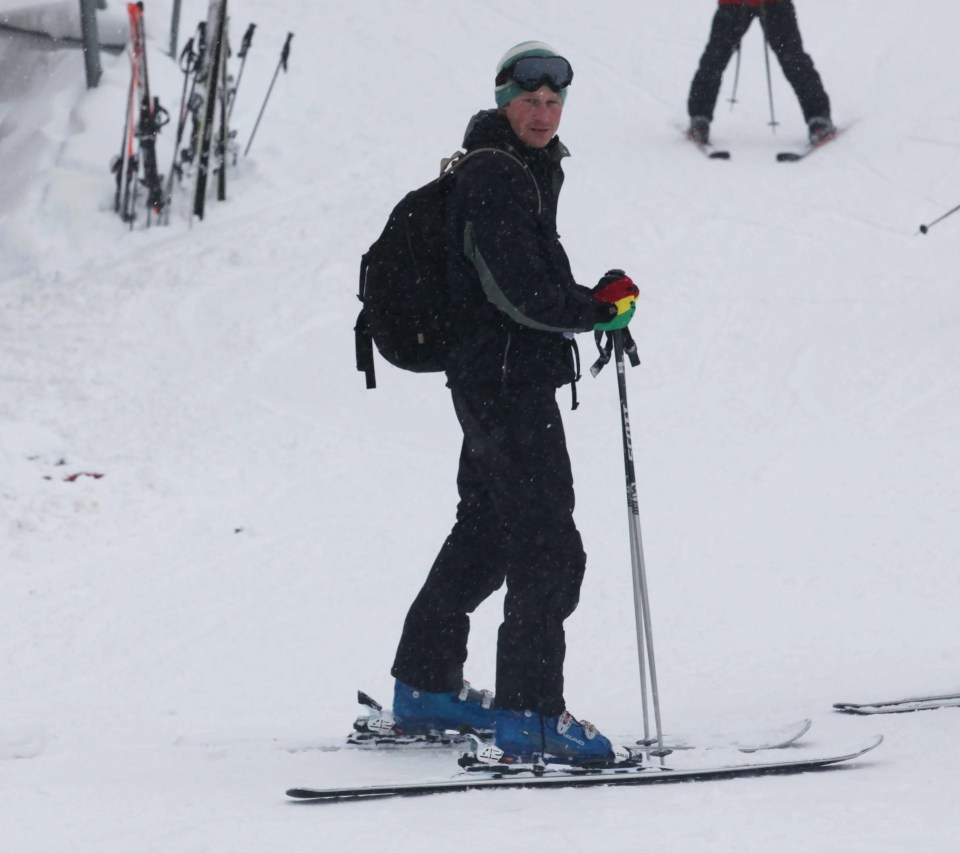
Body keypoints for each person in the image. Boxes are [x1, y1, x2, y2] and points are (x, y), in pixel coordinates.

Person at [386, 42, 638, 767]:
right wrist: (598, 309)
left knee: (490, 531)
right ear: (503, 100)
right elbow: (518, 292)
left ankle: (427, 685)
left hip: (490, 378)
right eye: (529, 100)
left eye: (554, 102)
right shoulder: (498, 176)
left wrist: (592, 299)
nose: (543, 112)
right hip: (505, 384)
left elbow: (515, 281)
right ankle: (529, 716)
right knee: (547, 545)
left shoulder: (512, 167)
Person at [687, 0, 834, 145]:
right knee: (714, 59)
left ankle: (819, 118)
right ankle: (699, 118)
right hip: (734, 4)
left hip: (774, 4)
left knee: (794, 60)